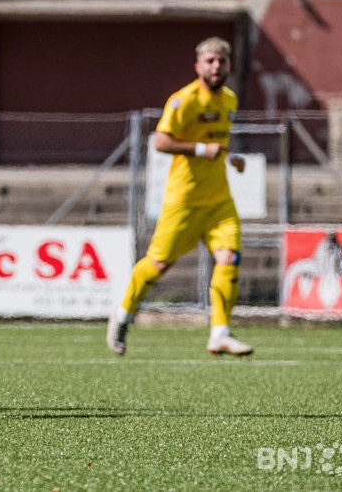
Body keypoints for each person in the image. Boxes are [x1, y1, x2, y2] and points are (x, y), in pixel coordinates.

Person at [106, 37, 253, 358]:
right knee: (157, 264)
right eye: (210, 61)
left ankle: (220, 333)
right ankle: (121, 315)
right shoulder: (183, 101)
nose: (216, 67)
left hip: (218, 201)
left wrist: (231, 157)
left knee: (230, 259)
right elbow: (160, 141)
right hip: (183, 201)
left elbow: (216, 140)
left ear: (229, 66)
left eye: (222, 61)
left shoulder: (229, 99)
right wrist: (202, 150)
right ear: (198, 66)